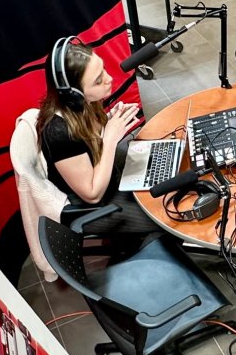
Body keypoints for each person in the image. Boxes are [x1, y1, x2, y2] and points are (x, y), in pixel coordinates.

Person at [36, 36, 158, 236]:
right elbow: (92, 194)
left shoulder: (82, 104)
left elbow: (88, 142)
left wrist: (110, 120)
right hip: (94, 208)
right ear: (73, 93)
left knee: (165, 176)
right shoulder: (58, 132)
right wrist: (110, 137)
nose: (109, 79)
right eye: (98, 80)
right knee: (163, 213)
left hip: (109, 178)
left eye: (103, 70)